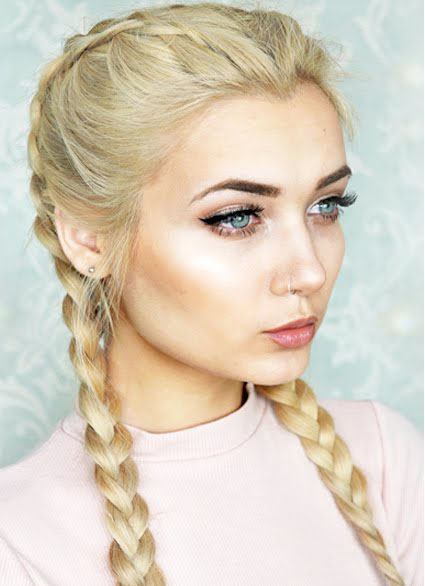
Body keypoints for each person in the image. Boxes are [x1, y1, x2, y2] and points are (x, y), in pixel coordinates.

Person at [0, 2, 422, 586]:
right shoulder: (20, 542)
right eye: (236, 217)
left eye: (326, 206)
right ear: (88, 238)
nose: (309, 271)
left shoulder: (384, 459)